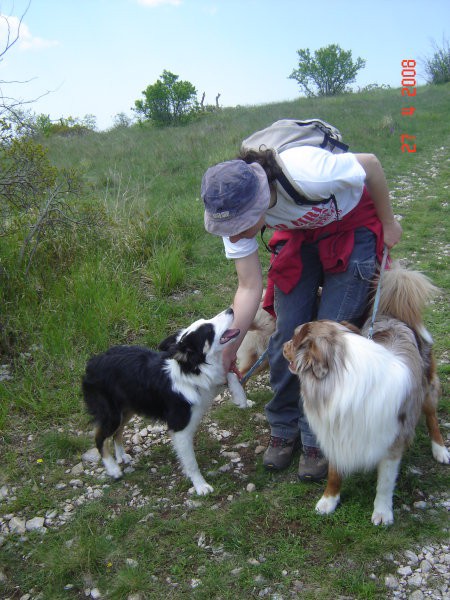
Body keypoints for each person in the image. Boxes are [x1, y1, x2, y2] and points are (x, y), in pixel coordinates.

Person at [200, 141, 402, 481]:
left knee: (328, 336)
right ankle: (283, 424)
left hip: (352, 222)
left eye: (241, 228)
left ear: (260, 203)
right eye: (229, 230)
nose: (234, 237)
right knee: (287, 332)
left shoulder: (309, 172)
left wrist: (389, 221)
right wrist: (231, 346)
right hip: (299, 234)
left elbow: (370, 163)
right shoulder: (230, 216)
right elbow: (249, 287)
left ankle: (316, 435)